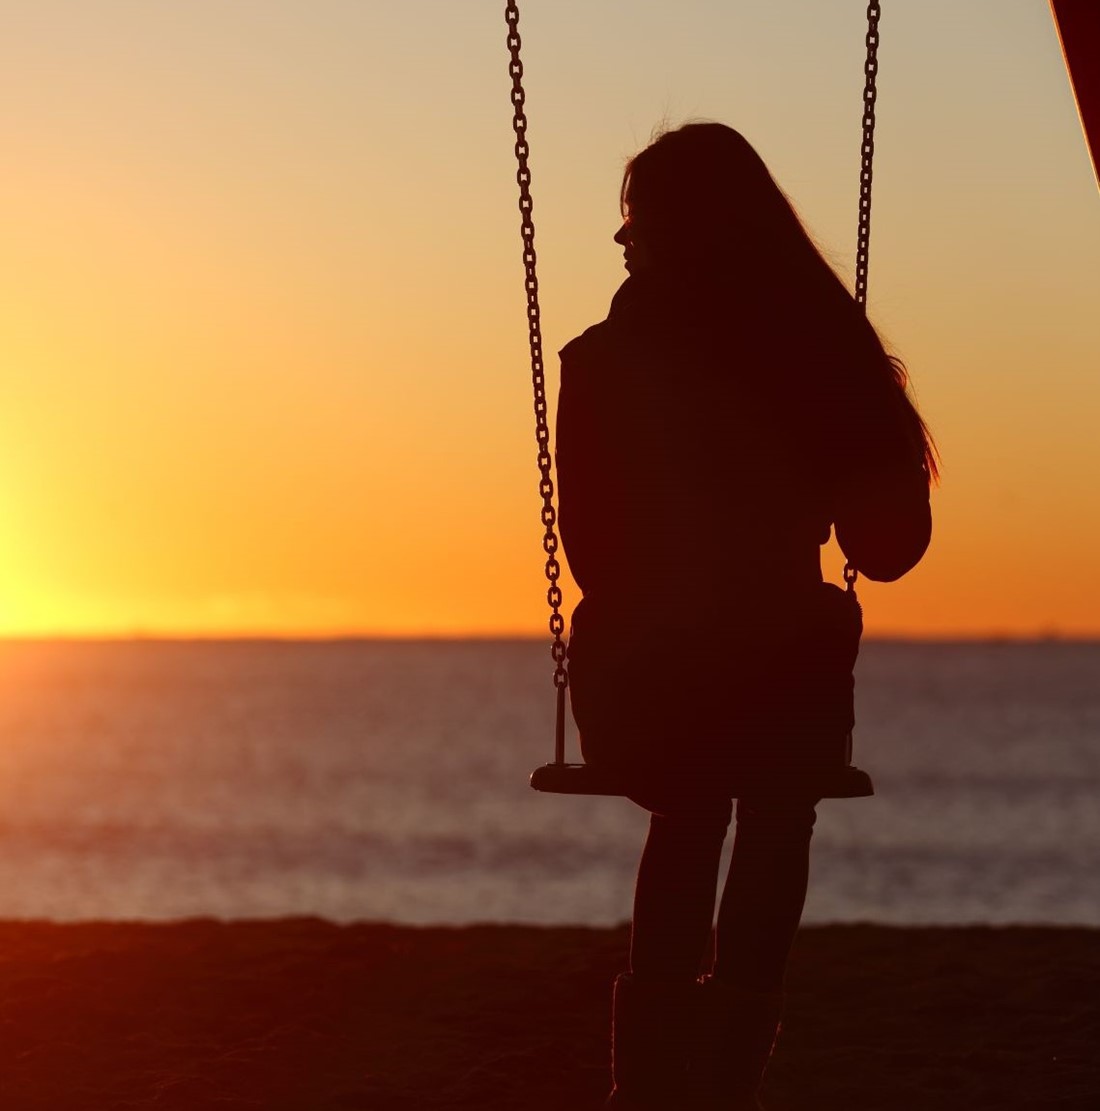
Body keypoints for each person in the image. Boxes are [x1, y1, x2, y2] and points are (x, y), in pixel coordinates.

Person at [554, 123, 935, 1110]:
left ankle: (644, 1090)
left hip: (644, 675)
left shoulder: (601, 364)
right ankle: (724, 1085)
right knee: (774, 807)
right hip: (773, 673)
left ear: (680, 231)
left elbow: (589, 548)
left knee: (689, 807)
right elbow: (886, 550)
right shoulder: (817, 352)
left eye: (634, 218)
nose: (620, 240)